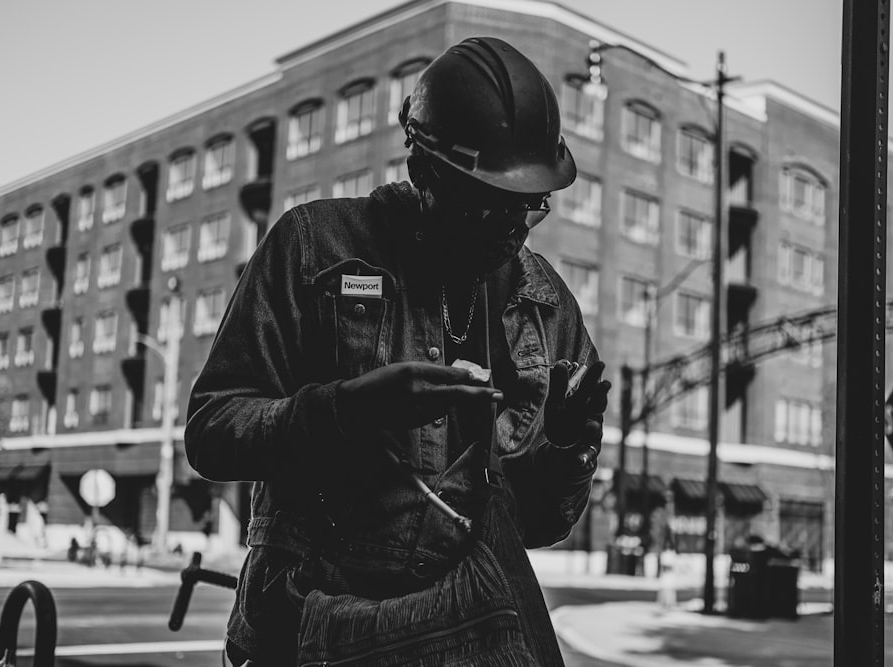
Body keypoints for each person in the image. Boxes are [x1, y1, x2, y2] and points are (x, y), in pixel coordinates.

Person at [185, 36, 610, 665]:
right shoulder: (315, 247)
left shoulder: (545, 307)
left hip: (457, 635)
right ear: (424, 172)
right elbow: (212, 433)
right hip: (305, 630)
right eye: (489, 208)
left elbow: (539, 525)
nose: (514, 228)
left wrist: (570, 449)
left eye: (531, 206)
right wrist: (349, 409)